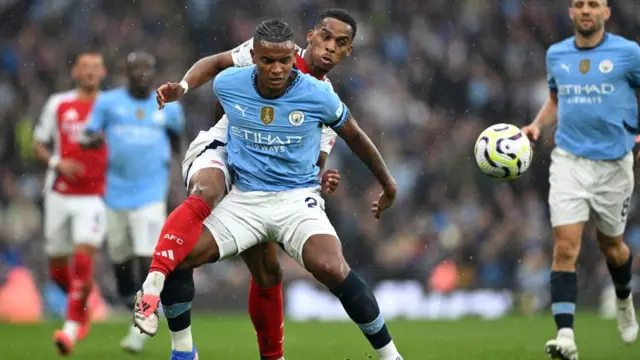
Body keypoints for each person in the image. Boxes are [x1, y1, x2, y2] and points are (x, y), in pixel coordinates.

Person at [136, 19, 404, 360]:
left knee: (276, 272)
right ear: (308, 38)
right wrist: (185, 88)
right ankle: (181, 347)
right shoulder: (261, 53)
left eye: (341, 42)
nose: (330, 47)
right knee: (203, 202)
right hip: (233, 165)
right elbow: (219, 68)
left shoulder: (324, 99)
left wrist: (330, 179)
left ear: (348, 50)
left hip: (288, 194)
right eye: (325, 37)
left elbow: (327, 153)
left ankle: (386, 356)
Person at [521, 1, 639, 359]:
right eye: (579, 4)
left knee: (612, 248)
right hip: (569, 161)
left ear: (606, 12)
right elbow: (557, 99)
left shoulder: (628, 53)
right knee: (565, 246)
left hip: (614, 165)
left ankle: (623, 298)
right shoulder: (556, 54)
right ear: (571, 12)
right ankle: (566, 337)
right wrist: (538, 124)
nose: (586, 10)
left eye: (594, 4)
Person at [82, 51, 186, 353]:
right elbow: (86, 136)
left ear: (153, 72)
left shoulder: (166, 105)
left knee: (146, 255)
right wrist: (93, 141)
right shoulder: (108, 103)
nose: (142, 73)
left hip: (151, 193)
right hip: (115, 193)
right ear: (125, 73)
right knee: (121, 261)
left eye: (147, 68)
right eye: (136, 69)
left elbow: (178, 140)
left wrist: (179, 176)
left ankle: (142, 323)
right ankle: (135, 306)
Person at [32, 51, 108, 356]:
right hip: (59, 194)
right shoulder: (58, 104)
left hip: (94, 196)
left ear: (103, 73)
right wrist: (56, 162)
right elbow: (38, 143)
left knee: (83, 259)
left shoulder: (110, 107)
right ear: (75, 71)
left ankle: (71, 327)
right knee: (57, 270)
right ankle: (84, 307)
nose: (90, 72)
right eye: (85, 67)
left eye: (95, 67)